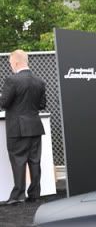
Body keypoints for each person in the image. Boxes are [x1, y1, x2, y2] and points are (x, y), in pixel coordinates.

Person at [2, 50, 47, 205]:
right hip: (35, 126)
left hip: (17, 129)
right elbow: (42, 105)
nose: (10, 67)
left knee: (18, 161)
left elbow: (4, 103)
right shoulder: (39, 81)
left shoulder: (12, 80)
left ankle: (18, 196)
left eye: (10, 63)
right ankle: (34, 194)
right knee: (35, 161)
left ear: (15, 62)